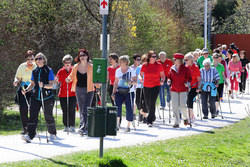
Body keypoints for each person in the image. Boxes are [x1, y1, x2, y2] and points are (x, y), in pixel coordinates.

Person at [21, 53, 57, 143]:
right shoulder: (34, 71)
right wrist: (26, 90)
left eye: (39, 58)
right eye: (36, 59)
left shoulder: (49, 70)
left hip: (47, 97)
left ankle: (52, 133)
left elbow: (51, 85)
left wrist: (44, 85)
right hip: (35, 96)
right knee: (33, 115)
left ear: (44, 60)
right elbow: (32, 84)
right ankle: (30, 135)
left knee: (48, 115)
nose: (37, 60)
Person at [66, 49, 97, 136]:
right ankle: (84, 128)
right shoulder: (76, 66)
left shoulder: (91, 66)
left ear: (87, 56)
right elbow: (71, 76)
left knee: (85, 109)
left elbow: (95, 77)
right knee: (81, 109)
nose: (82, 57)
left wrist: (97, 87)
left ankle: (82, 128)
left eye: (84, 55)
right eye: (81, 55)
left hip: (89, 89)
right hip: (78, 89)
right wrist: (68, 79)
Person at [13, 50, 36, 135]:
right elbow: (18, 77)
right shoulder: (22, 66)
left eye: (32, 59)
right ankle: (25, 128)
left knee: (33, 109)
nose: (30, 61)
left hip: (33, 89)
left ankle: (32, 128)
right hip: (23, 89)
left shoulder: (36, 66)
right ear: (26, 59)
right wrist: (16, 81)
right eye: (28, 59)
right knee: (23, 109)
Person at [112, 55, 137, 132]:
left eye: (120, 62)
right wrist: (113, 92)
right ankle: (117, 125)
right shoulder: (118, 71)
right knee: (117, 107)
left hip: (129, 92)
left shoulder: (131, 70)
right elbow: (116, 82)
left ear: (125, 62)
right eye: (119, 61)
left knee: (129, 108)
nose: (119, 63)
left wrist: (131, 82)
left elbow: (136, 82)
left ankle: (128, 126)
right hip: (119, 91)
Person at [140, 51, 165, 127]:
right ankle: (152, 116)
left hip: (156, 85)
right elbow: (140, 75)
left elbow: (163, 75)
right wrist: (141, 78)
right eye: (153, 56)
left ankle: (149, 121)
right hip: (146, 85)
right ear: (149, 57)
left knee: (152, 102)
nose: (155, 58)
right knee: (147, 103)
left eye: (155, 56)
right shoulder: (145, 65)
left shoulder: (159, 65)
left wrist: (162, 80)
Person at [167, 53, 192, 128]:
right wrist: (168, 80)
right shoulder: (172, 68)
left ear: (179, 60)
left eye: (175, 59)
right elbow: (169, 77)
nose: (174, 60)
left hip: (183, 89)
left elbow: (190, 78)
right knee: (174, 106)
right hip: (174, 89)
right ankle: (176, 122)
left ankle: (185, 118)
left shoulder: (186, 68)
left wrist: (187, 83)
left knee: (183, 106)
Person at [55, 55, 76, 132]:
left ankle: (72, 125)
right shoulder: (61, 71)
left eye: (69, 62)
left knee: (71, 109)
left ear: (71, 62)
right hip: (63, 93)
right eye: (66, 62)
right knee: (65, 109)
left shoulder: (74, 70)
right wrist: (56, 80)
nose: (67, 64)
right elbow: (57, 81)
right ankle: (66, 125)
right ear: (64, 63)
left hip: (72, 93)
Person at [184, 53, 201, 124]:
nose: (185, 61)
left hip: (194, 87)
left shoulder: (196, 68)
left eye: (186, 60)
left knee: (190, 99)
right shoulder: (186, 67)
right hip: (187, 87)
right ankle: (192, 115)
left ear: (191, 60)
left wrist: (199, 87)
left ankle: (189, 116)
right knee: (186, 101)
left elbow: (199, 79)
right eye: (184, 60)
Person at [135, 54, 148, 123]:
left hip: (147, 87)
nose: (145, 62)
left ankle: (145, 116)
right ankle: (141, 113)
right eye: (144, 61)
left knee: (146, 102)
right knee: (138, 101)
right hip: (139, 87)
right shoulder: (138, 68)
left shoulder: (149, 68)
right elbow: (136, 77)